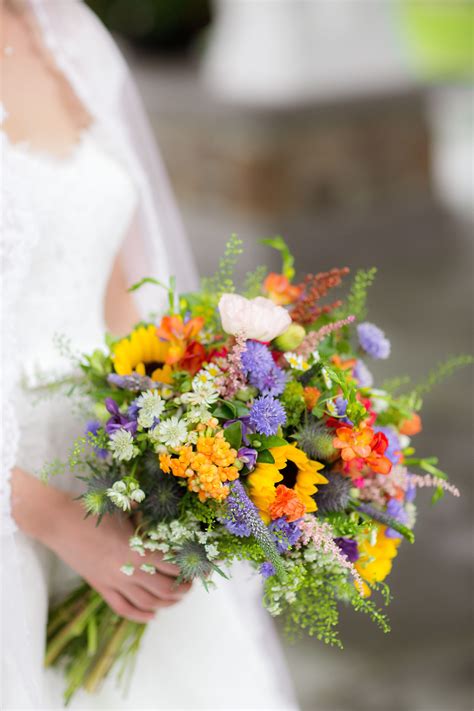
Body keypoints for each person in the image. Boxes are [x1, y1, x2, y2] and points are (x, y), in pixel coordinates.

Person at [0, 1, 297, 708]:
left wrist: (185, 448)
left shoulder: (68, 35)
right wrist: (54, 519)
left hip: (111, 482)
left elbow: (118, 298)